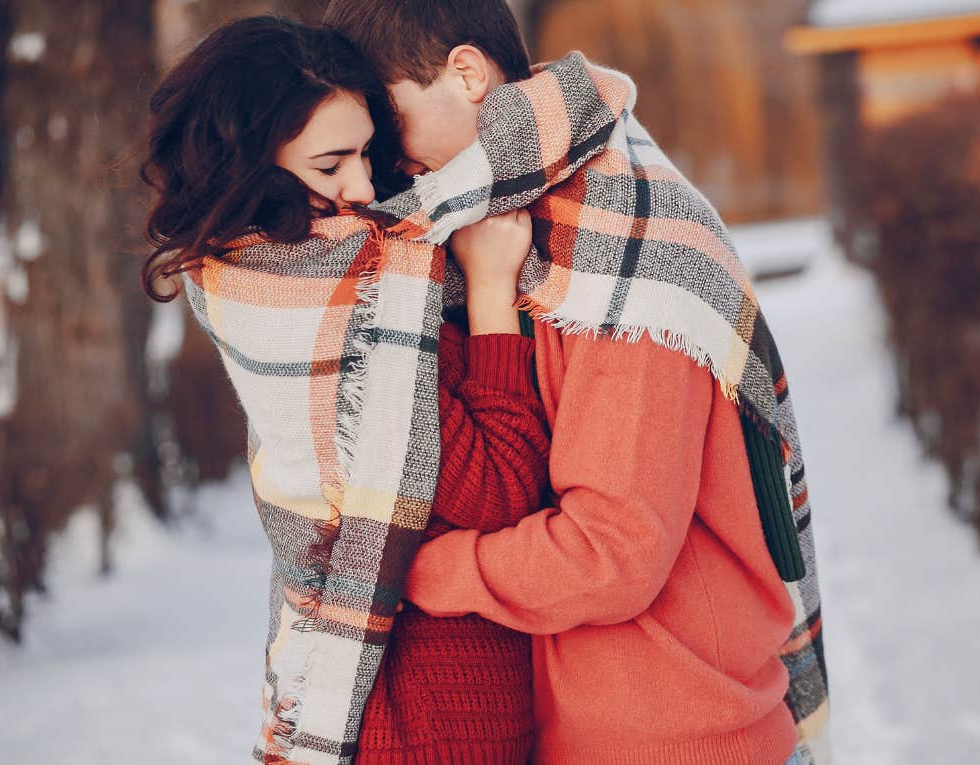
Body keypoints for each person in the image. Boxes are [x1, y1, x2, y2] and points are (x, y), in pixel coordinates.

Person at [325, 2, 832, 763]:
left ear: (466, 74)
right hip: (595, 729)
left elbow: (611, 552)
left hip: (678, 737)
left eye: (390, 121)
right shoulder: (512, 228)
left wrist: (415, 568)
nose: (384, 167)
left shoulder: (621, 244)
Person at [139, 16, 545, 763]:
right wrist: (490, 292)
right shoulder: (358, 305)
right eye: (331, 166)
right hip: (425, 712)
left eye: (367, 152)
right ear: (252, 170)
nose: (362, 186)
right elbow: (498, 486)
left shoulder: (244, 271)